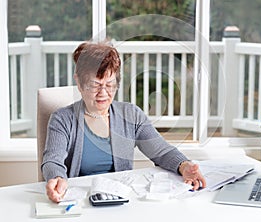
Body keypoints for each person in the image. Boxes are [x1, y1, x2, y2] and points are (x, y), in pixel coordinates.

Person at [42, 40, 206, 203]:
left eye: (109, 84)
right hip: (80, 203)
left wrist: (184, 166)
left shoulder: (131, 115)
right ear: (79, 83)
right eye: (95, 85)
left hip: (120, 202)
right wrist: (56, 178)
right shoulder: (62, 119)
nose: (103, 93)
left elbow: (161, 151)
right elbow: (52, 160)